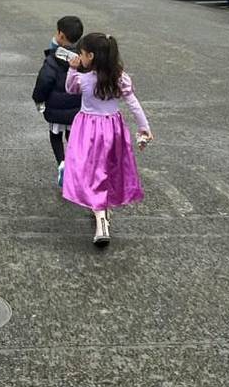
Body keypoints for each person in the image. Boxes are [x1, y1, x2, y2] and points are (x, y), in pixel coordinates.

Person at [64, 32, 153, 246]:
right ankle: (103, 208)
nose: (80, 57)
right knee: (109, 169)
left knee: (90, 171)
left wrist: (72, 68)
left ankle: (100, 218)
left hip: (87, 129)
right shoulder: (120, 77)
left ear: (91, 56)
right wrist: (144, 128)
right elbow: (133, 103)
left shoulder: (83, 79)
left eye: (83, 54)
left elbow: (69, 89)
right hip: (113, 128)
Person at [32, 15, 84, 186]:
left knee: (55, 136)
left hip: (55, 109)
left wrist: (39, 100)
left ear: (61, 35)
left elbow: (44, 81)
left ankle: (62, 163)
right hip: (77, 109)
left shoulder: (53, 59)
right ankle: (74, 163)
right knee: (72, 135)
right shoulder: (84, 59)